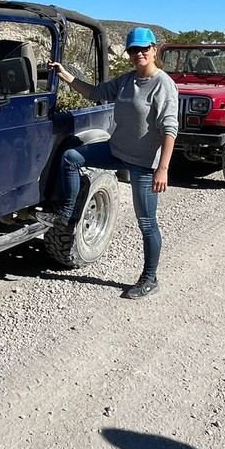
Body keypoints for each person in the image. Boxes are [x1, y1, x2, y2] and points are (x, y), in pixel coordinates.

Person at [43, 27, 178, 299]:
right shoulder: (128, 80)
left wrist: (162, 168)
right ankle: (68, 213)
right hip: (117, 151)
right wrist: (65, 75)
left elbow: (170, 129)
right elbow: (95, 93)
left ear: (154, 50)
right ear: (128, 53)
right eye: (133, 49)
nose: (139, 53)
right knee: (71, 157)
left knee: (147, 223)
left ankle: (150, 278)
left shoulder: (163, 84)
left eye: (144, 49)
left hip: (143, 163)